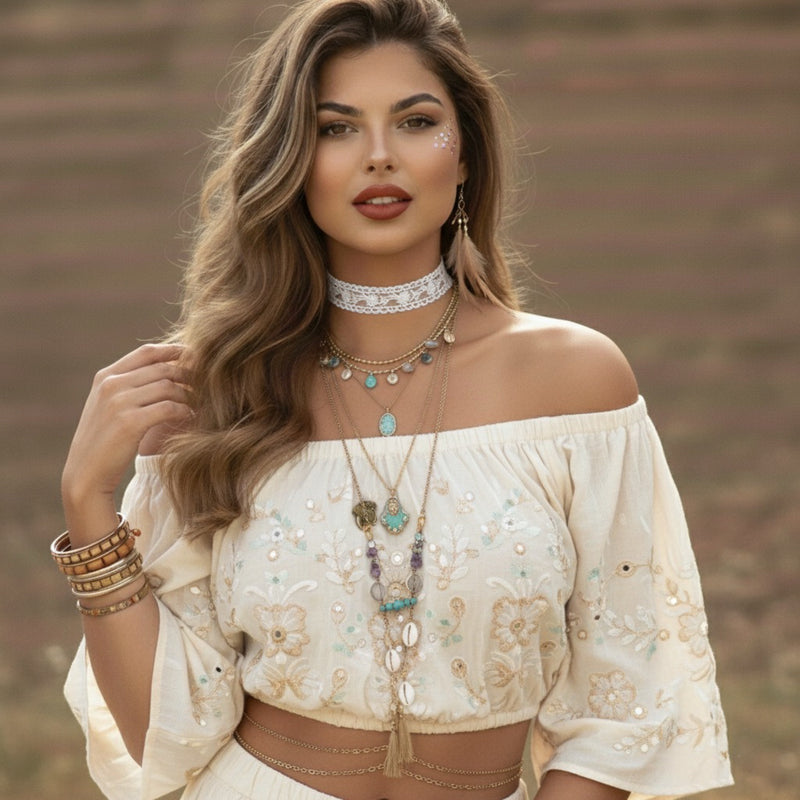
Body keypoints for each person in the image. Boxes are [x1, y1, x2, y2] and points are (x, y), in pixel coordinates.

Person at [55, 1, 734, 798]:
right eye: (336, 128)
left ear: (467, 152)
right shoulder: (222, 393)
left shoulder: (574, 383)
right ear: (292, 160)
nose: (379, 157)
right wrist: (88, 503)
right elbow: (168, 731)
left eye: (415, 121)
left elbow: (627, 698)